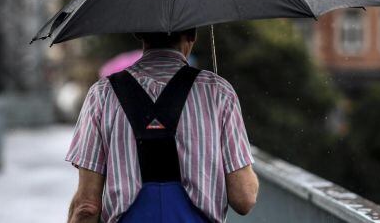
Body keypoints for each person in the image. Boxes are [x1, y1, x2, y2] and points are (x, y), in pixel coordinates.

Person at [65, 28, 259, 223]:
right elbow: (244, 199)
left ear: (138, 34)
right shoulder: (219, 91)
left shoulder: (101, 94)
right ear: (192, 36)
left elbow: (87, 207)